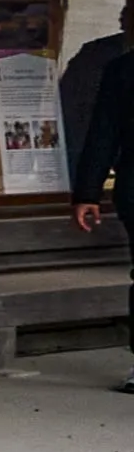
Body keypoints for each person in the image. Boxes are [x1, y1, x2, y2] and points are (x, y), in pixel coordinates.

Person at [72, 47, 134, 392]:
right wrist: (87, 192)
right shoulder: (124, 69)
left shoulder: (123, 68)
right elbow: (103, 132)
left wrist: (87, 193)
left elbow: (103, 132)